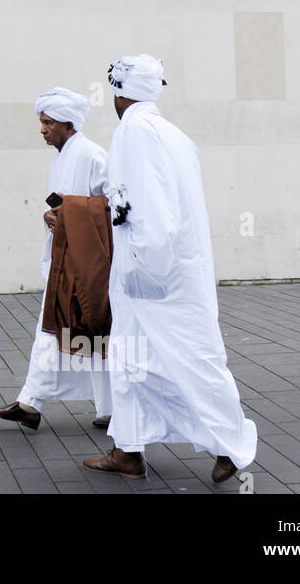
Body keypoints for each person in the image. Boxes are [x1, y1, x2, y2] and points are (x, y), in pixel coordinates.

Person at [82, 55, 257, 482]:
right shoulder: (172, 133)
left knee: (190, 360)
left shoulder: (134, 132)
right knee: (132, 360)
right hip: (169, 273)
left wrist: (140, 271)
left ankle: (230, 445)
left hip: (153, 277)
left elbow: (149, 207)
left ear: (120, 92)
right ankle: (127, 449)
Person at [0, 87, 112, 430]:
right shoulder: (65, 155)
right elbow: (64, 205)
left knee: (65, 329)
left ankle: (31, 403)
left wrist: (70, 215)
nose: (42, 129)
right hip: (65, 258)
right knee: (80, 332)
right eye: (41, 122)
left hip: (85, 263)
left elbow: (112, 206)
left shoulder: (93, 155)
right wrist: (50, 216)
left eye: (48, 123)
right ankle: (106, 407)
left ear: (69, 124)